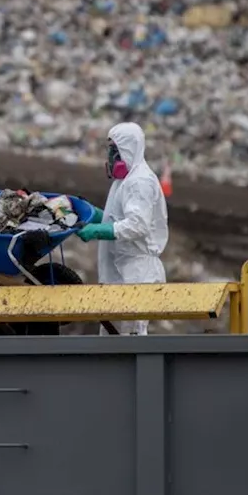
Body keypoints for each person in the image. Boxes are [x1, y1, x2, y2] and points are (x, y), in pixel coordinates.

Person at [76, 122, 169, 335]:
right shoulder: (124, 181)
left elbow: (138, 225)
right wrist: (95, 215)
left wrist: (97, 231)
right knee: (112, 339)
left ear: (127, 149)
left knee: (130, 338)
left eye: (114, 150)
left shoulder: (139, 182)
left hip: (137, 273)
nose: (109, 157)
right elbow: (119, 217)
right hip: (121, 271)